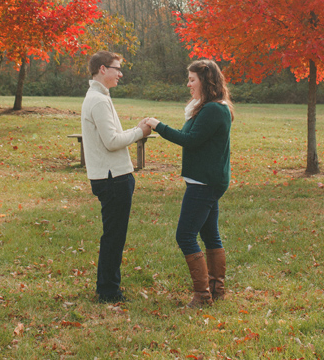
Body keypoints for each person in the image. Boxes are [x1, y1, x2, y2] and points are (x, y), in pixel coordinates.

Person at [145, 59, 233, 307]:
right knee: (210, 234)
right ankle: (216, 290)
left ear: (205, 81)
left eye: (192, 79)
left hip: (204, 182)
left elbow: (190, 140)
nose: (188, 84)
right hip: (208, 180)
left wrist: (157, 125)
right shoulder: (209, 107)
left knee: (185, 235)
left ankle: (203, 295)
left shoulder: (213, 110)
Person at [81, 51, 151, 303]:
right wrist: (140, 131)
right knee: (114, 235)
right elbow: (111, 142)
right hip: (112, 179)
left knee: (114, 233)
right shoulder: (98, 100)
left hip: (112, 176)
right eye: (116, 68)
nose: (120, 73)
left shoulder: (99, 97)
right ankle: (109, 291)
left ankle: (108, 286)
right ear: (102, 69)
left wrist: (134, 130)